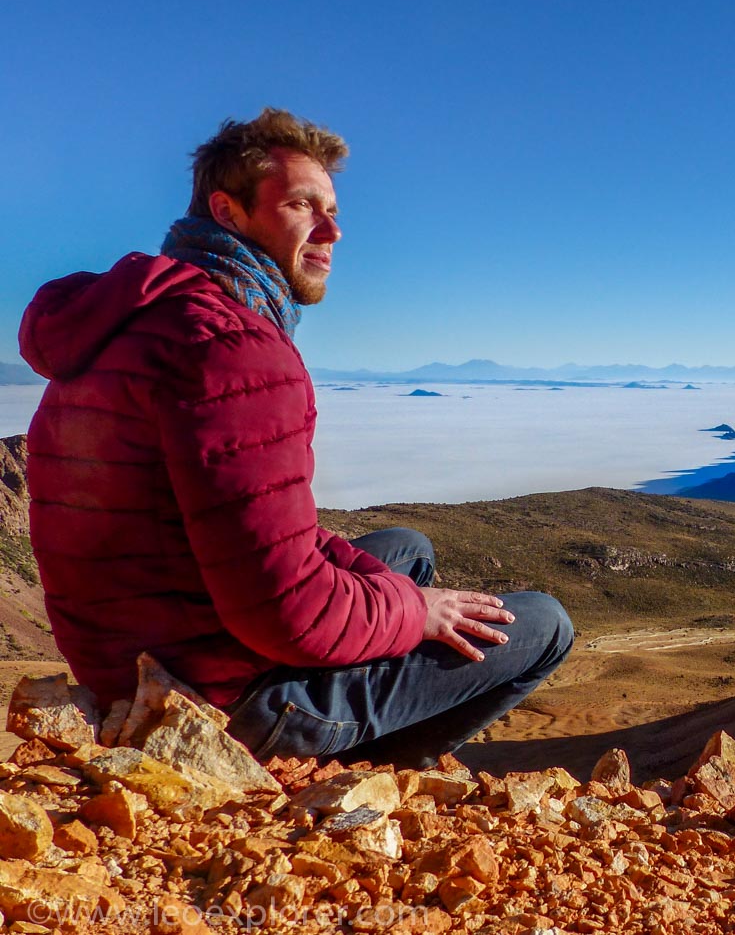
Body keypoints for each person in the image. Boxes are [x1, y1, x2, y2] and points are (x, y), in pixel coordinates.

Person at [19, 108, 572, 768]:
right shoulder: (232, 347)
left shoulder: (135, 321)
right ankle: (348, 780)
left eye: (332, 210)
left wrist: (398, 592)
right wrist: (414, 613)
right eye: (302, 205)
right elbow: (287, 615)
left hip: (129, 662)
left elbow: (255, 530)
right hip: (220, 702)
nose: (332, 230)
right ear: (227, 212)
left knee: (407, 550)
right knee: (543, 624)